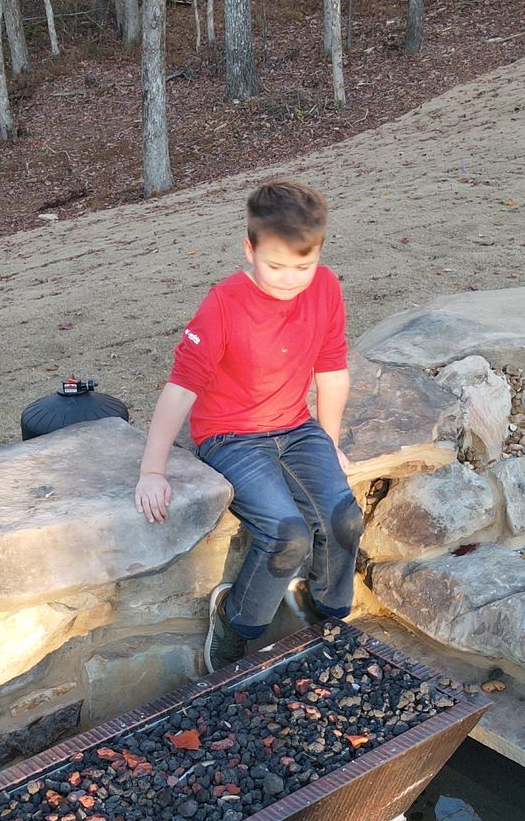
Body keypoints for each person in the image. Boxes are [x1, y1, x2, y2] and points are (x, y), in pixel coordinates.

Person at [135, 179, 360, 672]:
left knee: (343, 519)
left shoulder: (326, 288)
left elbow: (331, 370)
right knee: (287, 535)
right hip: (230, 436)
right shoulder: (223, 303)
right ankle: (238, 623)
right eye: (275, 266)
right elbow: (180, 388)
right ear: (249, 249)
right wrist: (153, 469)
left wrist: (328, 440)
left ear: (319, 251)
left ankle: (325, 614)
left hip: (297, 429)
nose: (289, 279)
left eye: (303, 265)